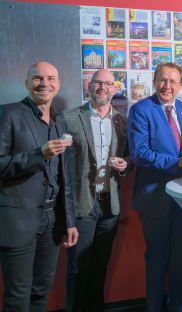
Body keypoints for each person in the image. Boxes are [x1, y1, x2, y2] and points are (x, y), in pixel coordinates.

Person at [0, 61, 78, 311]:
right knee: (18, 295)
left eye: (51, 78)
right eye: (37, 78)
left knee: (41, 291)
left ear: (58, 85)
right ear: (27, 84)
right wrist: (38, 155)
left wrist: (69, 221)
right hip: (18, 220)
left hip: (52, 221)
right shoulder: (9, 113)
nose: (44, 83)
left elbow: (64, 175)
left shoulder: (59, 121)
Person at [128, 62, 182, 312]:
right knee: (157, 258)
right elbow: (139, 153)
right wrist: (176, 162)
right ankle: (153, 308)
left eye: (172, 81)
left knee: (180, 259)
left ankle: (179, 306)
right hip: (154, 197)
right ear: (154, 82)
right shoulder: (141, 109)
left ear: (180, 85)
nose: (167, 86)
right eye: (162, 80)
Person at [64, 69, 131, 311]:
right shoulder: (70, 118)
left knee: (101, 266)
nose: (102, 87)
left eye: (107, 84)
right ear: (88, 86)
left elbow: (130, 157)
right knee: (78, 268)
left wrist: (126, 165)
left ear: (114, 89)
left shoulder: (122, 122)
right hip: (82, 204)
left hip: (110, 205)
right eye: (97, 83)